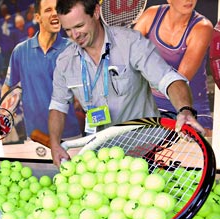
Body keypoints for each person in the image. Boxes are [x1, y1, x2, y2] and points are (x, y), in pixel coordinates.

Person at [48, 0, 205, 167]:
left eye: (79, 26)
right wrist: (55, 143)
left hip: (146, 149)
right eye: (68, 30)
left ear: (95, 12)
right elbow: (58, 106)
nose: (74, 35)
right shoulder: (64, 61)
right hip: (103, 156)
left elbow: (168, 79)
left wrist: (185, 109)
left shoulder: (130, 42)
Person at [1, 0, 82, 141]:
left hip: (70, 137)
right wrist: (5, 111)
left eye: (58, 9)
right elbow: (7, 87)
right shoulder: (20, 51)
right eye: (48, 10)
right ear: (37, 18)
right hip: (35, 138)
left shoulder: (74, 49)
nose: (55, 14)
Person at [133, 1, 213, 137]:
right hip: (150, 104)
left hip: (188, 106)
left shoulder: (202, 27)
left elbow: (178, 82)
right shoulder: (151, 15)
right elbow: (129, 55)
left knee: (192, 142)